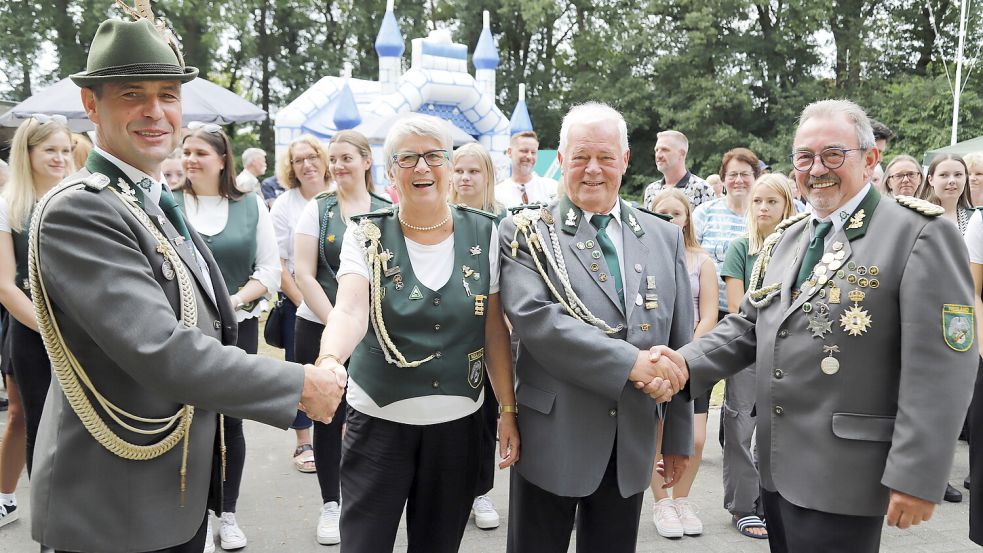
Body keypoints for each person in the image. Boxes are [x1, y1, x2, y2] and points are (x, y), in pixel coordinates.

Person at [29, 16, 344, 553]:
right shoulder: (82, 208)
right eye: (133, 94)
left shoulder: (144, 199)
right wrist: (299, 386)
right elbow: (160, 349)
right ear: (90, 106)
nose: (156, 111)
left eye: (168, 94)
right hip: (115, 503)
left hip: (170, 487)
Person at [661, 99, 978, 553]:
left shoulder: (918, 234)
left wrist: (918, 473)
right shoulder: (791, 236)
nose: (817, 169)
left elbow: (943, 368)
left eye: (833, 154)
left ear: (870, 160)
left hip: (846, 472)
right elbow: (750, 325)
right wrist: (680, 365)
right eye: (805, 158)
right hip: (776, 468)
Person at [314, 114, 519, 553]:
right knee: (364, 543)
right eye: (407, 158)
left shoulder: (486, 231)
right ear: (389, 172)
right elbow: (350, 308)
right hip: (378, 420)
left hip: (458, 424)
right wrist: (329, 358)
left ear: (449, 165)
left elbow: (494, 330)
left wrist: (506, 409)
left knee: (439, 544)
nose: (421, 167)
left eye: (433, 156)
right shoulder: (365, 233)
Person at [500, 102, 692, 553]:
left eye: (606, 157)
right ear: (561, 160)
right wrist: (633, 365)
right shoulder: (527, 232)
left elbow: (679, 340)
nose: (593, 170)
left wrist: (678, 436)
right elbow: (537, 321)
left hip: (631, 440)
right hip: (552, 438)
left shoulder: (662, 235)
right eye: (581, 157)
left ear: (625, 161)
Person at [175, 122, 281, 552]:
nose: (190, 160)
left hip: (237, 326)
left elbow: (269, 270)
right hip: (180, 330)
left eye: (200, 152)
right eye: (186, 152)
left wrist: (230, 302)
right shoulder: (167, 204)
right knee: (185, 419)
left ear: (223, 160)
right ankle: (188, 518)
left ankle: (228, 513)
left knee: (230, 421)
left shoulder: (251, 204)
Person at [292, 130, 391, 546]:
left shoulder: (388, 210)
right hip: (320, 326)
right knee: (328, 419)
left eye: (346, 158)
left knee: (373, 418)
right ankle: (331, 504)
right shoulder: (318, 208)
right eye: (333, 159)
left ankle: (369, 499)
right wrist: (340, 324)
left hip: (376, 334)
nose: (337, 166)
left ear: (367, 161)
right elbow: (303, 272)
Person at [0, 115, 73, 529]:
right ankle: (49, 523)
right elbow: (6, 286)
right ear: (27, 153)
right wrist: (51, 331)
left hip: (85, 331)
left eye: (65, 150)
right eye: (50, 150)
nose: (61, 158)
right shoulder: (9, 206)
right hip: (32, 333)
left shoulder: (80, 198)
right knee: (37, 423)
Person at [717, 173, 797, 539]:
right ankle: (743, 505)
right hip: (748, 353)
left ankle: (772, 501)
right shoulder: (740, 249)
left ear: (787, 206)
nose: (763, 208)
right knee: (738, 427)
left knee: (777, 430)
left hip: (788, 356)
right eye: (758, 202)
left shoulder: (800, 247)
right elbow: (737, 307)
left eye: (772, 202)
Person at [647, 188, 718, 539]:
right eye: (662, 213)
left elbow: (709, 315)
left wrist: (687, 354)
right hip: (656, 361)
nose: (670, 219)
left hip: (691, 360)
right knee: (657, 436)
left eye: (676, 213)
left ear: (687, 217)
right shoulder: (643, 257)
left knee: (697, 438)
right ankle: (662, 502)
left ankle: (682, 499)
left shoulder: (701, 260)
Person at [450, 142, 506, 529]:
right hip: (451, 336)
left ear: (488, 176)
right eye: (459, 170)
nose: (466, 178)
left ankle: (481, 493)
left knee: (486, 418)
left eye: (474, 171)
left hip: (490, 332)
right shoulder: (440, 215)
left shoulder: (503, 221)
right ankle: (449, 491)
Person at [270, 135, 331, 474]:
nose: (306, 165)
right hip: (301, 303)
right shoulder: (285, 204)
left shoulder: (339, 195)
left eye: (311, 157)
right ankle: (303, 440)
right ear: (291, 168)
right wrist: (301, 301)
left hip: (342, 302)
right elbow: (278, 260)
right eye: (298, 160)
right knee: (302, 372)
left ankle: (344, 434)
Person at [693, 148, 759, 318]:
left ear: (755, 178)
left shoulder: (763, 216)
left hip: (750, 312)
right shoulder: (704, 213)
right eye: (732, 175)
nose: (738, 180)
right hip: (705, 310)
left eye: (745, 174)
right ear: (722, 179)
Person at [641, 131, 715, 209]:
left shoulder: (701, 189)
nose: (658, 155)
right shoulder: (651, 190)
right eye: (656, 150)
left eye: (665, 150)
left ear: (682, 154)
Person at [494, 131, 558, 208]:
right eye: (524, 151)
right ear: (510, 152)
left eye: (533, 152)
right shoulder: (497, 193)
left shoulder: (552, 188)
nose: (529, 156)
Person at [919, 154, 974, 234]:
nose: (952, 180)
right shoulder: (917, 218)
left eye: (958, 175)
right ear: (930, 180)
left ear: (965, 178)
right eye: (944, 175)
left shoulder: (975, 218)